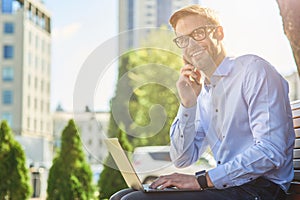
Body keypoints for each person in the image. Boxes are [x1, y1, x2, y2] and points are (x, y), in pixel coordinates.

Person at [110, 4, 295, 200]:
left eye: (198, 33)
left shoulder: (253, 70)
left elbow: (270, 152)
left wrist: (201, 180)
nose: (191, 45)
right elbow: (182, 158)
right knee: (122, 196)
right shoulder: (204, 92)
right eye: (183, 39)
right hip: (229, 187)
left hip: (261, 189)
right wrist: (188, 104)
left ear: (219, 33)